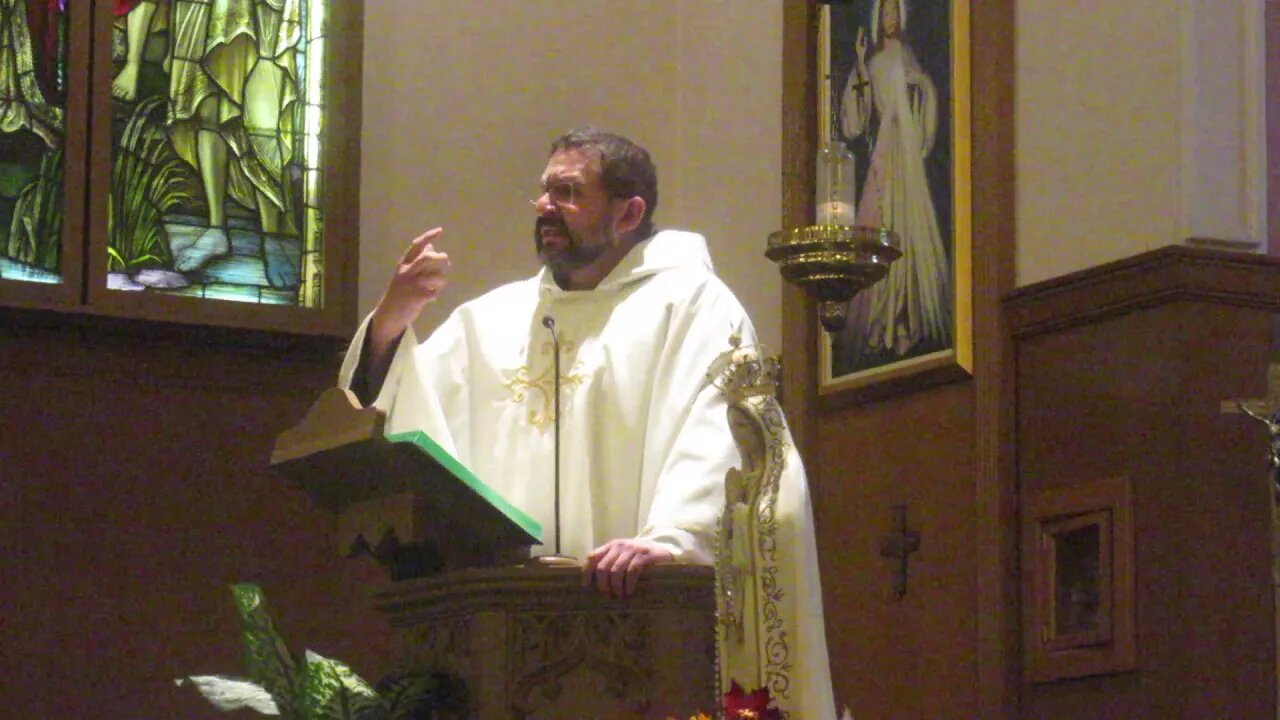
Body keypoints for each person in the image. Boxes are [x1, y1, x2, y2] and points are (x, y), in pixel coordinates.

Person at [839, 0, 951, 360]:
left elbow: (925, 93)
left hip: (904, 158)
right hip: (884, 154)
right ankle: (882, 320)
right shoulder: (873, 63)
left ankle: (905, 319)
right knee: (880, 224)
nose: (889, 19)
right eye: (884, 13)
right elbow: (856, 120)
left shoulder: (908, 57)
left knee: (907, 226)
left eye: (894, 12)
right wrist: (858, 63)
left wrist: (921, 88)